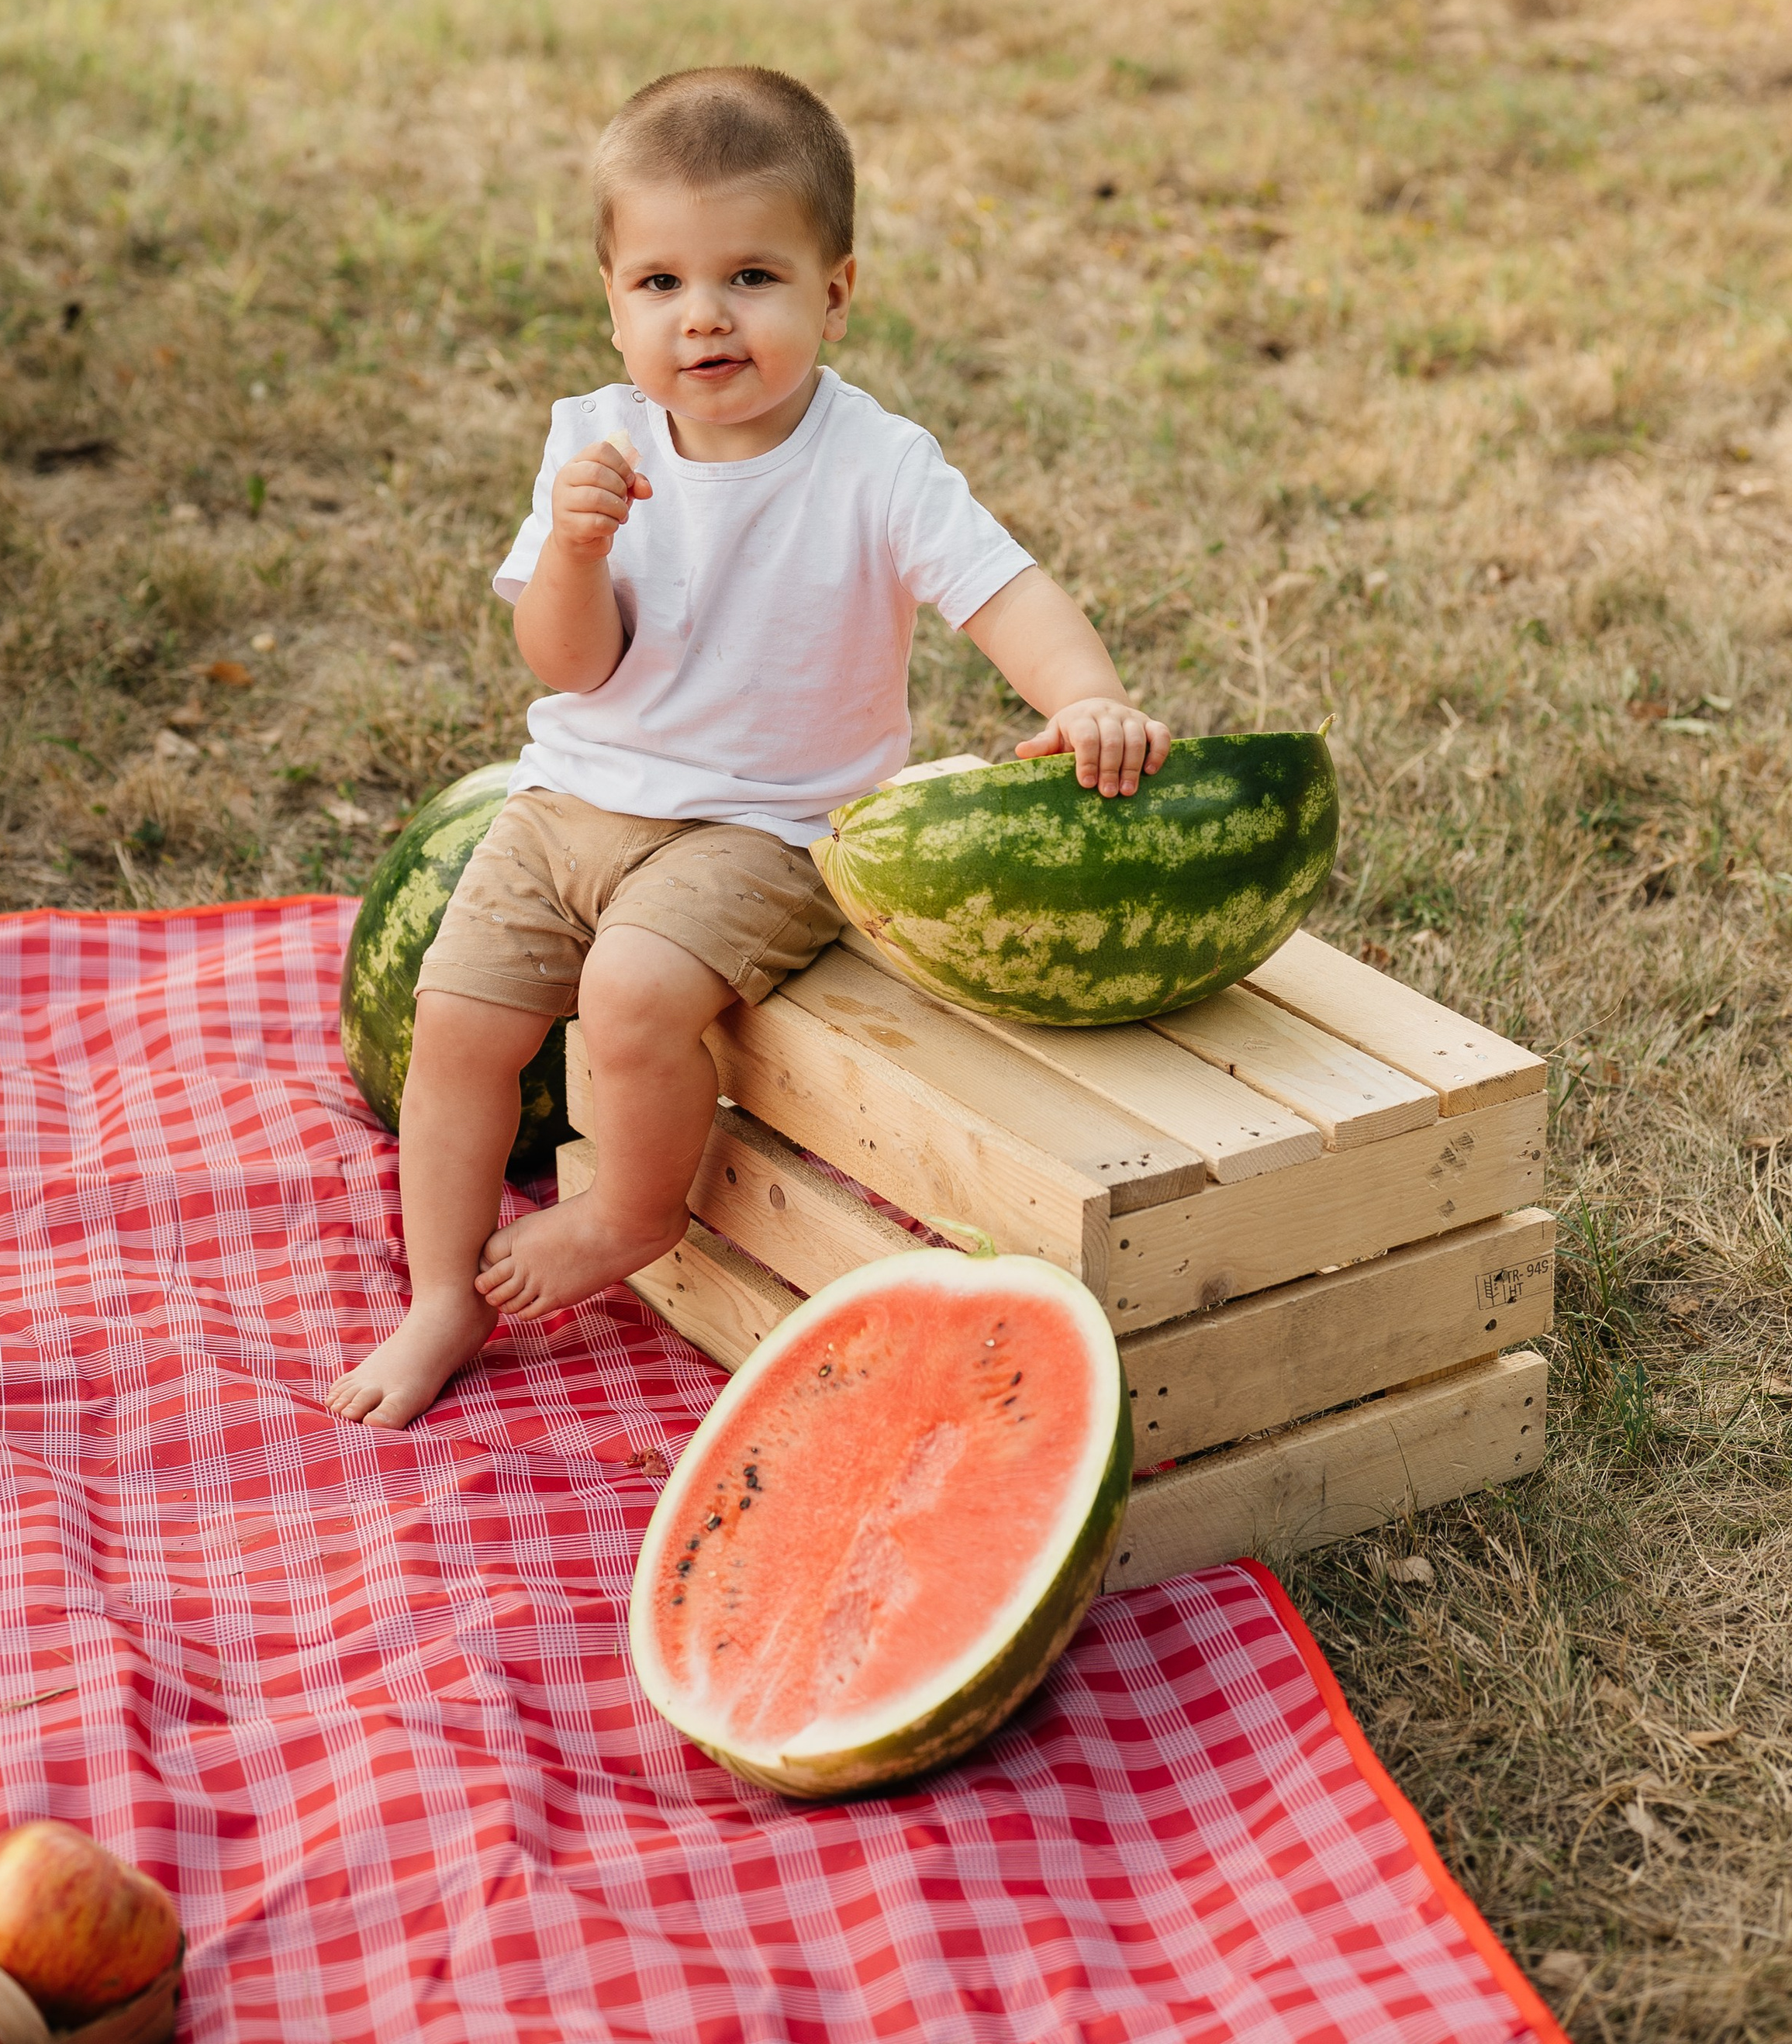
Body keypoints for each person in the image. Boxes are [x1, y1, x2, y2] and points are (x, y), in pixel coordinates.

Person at [328, 70, 1171, 1427]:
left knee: (634, 993)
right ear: (611, 299)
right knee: (454, 1020)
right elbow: (569, 662)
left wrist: (1084, 697)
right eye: (659, 282)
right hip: (570, 803)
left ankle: (627, 1215)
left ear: (837, 294)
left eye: (752, 277)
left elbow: (1003, 591)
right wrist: (575, 549)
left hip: (767, 825)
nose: (703, 314)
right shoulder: (593, 446)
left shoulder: (876, 465)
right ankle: (441, 1295)